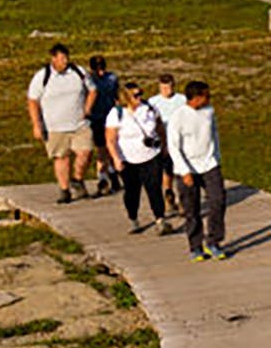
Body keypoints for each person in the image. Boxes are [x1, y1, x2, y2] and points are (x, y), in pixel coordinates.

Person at [26, 44, 97, 204]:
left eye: (66, 57)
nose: (65, 61)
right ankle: (64, 190)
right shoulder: (42, 77)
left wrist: (87, 108)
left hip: (79, 123)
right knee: (61, 158)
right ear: (53, 59)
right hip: (54, 126)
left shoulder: (78, 72)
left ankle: (77, 179)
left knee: (85, 152)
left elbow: (92, 90)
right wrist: (36, 124)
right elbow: (32, 101)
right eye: (61, 58)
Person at [168, 80, 227, 261]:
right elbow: (173, 146)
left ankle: (214, 241)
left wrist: (216, 156)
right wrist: (184, 171)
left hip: (209, 164)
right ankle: (195, 246)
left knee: (218, 201)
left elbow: (214, 133)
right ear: (195, 98)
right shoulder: (178, 116)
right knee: (191, 209)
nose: (209, 100)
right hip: (186, 168)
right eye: (206, 96)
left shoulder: (209, 112)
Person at [104, 80, 169, 234]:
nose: (140, 97)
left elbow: (160, 127)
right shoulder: (117, 114)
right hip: (128, 158)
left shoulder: (150, 109)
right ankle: (133, 218)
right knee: (132, 191)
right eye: (135, 95)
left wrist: (164, 146)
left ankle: (160, 219)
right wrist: (116, 159)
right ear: (126, 97)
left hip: (151, 155)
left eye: (141, 94)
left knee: (154, 187)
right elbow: (110, 139)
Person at [150, 74, 191, 218]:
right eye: (164, 88)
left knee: (180, 170)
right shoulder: (153, 102)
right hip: (163, 142)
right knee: (166, 171)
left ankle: (182, 201)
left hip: (180, 141)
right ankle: (169, 197)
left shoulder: (182, 100)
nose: (167, 90)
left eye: (169, 87)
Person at [85, 56, 121, 196]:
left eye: (102, 68)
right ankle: (102, 178)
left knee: (112, 146)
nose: (100, 72)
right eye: (97, 69)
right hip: (96, 117)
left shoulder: (112, 78)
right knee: (101, 149)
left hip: (110, 116)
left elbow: (116, 96)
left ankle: (113, 176)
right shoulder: (88, 80)